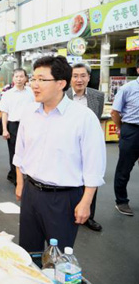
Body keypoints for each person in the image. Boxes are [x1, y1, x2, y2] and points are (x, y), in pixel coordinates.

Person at [13, 56, 106, 252]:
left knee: (60, 258)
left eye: (41, 79)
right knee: (29, 253)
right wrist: (21, 184)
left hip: (63, 199)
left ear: (61, 83)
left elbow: (94, 165)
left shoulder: (83, 117)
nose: (34, 85)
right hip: (31, 193)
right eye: (33, 79)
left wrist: (86, 202)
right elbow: (20, 153)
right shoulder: (29, 112)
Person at [66, 63, 105, 231]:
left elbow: (96, 120)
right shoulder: (63, 95)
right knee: (69, 180)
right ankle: (70, 213)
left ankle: (89, 215)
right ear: (70, 79)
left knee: (91, 179)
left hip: (89, 146)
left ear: (89, 78)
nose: (79, 79)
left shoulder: (97, 96)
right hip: (68, 146)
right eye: (75, 76)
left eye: (83, 76)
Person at [0, 68, 34, 185]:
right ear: (13, 78)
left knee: (29, 150)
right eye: (16, 76)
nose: (19, 79)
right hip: (13, 125)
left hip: (29, 125)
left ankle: (26, 174)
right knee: (14, 152)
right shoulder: (8, 94)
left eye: (21, 76)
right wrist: (4, 129)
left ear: (26, 78)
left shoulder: (31, 92)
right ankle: (15, 177)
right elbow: (4, 113)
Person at [111, 60, 139, 216]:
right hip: (132, 130)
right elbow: (115, 112)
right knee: (124, 168)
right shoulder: (127, 88)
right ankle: (121, 201)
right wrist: (122, 129)